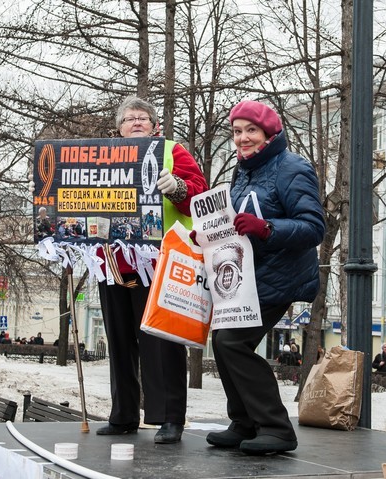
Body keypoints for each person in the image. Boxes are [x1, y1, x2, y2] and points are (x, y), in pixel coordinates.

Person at [205, 100, 325, 455]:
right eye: (237, 131)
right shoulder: (244, 170)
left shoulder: (292, 168)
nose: (242, 139)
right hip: (247, 277)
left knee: (232, 344)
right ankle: (244, 422)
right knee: (224, 344)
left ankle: (275, 427)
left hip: (281, 276)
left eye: (250, 131)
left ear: (269, 133)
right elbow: (237, 221)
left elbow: (313, 227)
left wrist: (266, 228)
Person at [95, 95, 208, 444]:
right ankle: (123, 414)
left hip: (159, 262)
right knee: (119, 340)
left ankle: (169, 417)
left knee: (162, 341)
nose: (136, 122)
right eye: (129, 118)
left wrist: (178, 189)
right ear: (118, 127)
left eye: (143, 117)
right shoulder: (103, 158)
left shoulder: (172, 150)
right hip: (112, 261)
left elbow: (199, 194)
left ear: (155, 125)